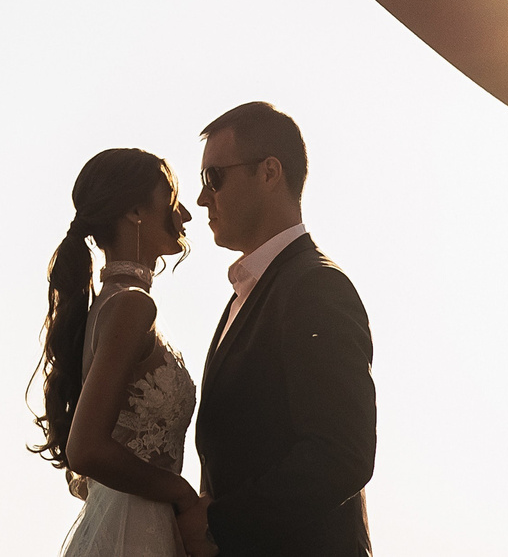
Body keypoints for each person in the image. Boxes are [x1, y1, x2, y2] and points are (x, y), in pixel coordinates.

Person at [189, 102, 375, 557]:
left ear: (269, 172)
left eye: (214, 178)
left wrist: (218, 527)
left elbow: (341, 453)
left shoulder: (315, 287)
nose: (201, 198)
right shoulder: (249, 292)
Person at [34, 147, 207, 557]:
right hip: (135, 534)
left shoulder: (108, 306)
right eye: (171, 199)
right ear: (135, 211)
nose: (184, 214)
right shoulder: (132, 306)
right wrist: (181, 492)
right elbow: (86, 448)